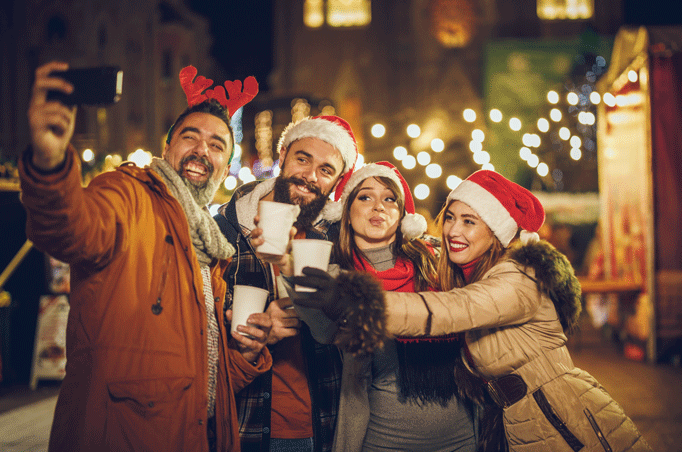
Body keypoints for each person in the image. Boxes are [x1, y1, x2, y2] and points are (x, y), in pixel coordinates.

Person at [294, 169, 652, 451]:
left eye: (470, 221)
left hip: (560, 417)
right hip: (516, 422)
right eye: (450, 217)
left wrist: (357, 301)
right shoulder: (462, 274)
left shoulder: (519, 275)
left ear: (495, 231)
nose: (453, 230)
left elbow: (451, 310)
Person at [20, 61, 273, 452]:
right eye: (190, 136)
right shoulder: (128, 194)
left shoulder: (210, 245)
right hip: (122, 435)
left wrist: (243, 355)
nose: (202, 149)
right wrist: (51, 164)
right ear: (168, 147)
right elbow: (70, 229)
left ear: (224, 168)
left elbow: (199, 374)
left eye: (217, 144)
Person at [287, 162, 480, 451]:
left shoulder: (438, 263)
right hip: (384, 441)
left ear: (402, 215)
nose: (379, 206)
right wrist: (286, 265)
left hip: (463, 439)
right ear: (346, 214)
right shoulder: (337, 278)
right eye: (365, 197)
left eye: (390, 199)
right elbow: (323, 331)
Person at [213, 115, 359, 452]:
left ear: (335, 182)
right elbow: (198, 328)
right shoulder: (227, 231)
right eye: (302, 159)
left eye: (326, 170)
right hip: (245, 425)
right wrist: (261, 330)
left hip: (326, 426)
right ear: (283, 159)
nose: (310, 176)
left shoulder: (339, 242)